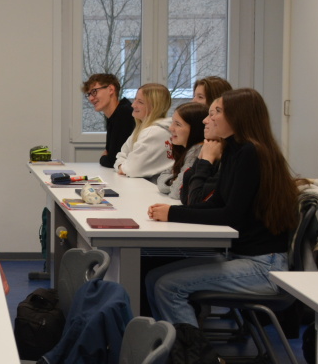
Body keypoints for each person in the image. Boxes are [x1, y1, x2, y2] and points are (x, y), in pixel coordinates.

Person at [144, 89, 299, 326]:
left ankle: (193, 350)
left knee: (168, 287)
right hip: (242, 255)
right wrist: (171, 212)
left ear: (238, 116)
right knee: (153, 278)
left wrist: (173, 213)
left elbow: (230, 216)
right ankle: (171, 346)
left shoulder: (251, 153)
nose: (207, 119)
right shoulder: (234, 150)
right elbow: (215, 203)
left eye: (216, 112)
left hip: (264, 265)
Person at [114, 82, 173, 179]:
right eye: (135, 99)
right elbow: (122, 154)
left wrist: (121, 166)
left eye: (140, 102)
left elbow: (132, 169)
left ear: (155, 107)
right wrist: (123, 166)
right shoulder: (143, 128)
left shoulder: (153, 132)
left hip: (154, 186)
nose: (133, 105)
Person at [156, 101, 207, 201]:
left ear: (195, 129)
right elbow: (161, 180)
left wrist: (173, 181)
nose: (171, 128)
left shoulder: (196, 151)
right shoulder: (184, 149)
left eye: (178, 124)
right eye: (172, 122)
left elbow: (176, 193)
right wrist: (174, 180)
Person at [82, 73, 134, 168]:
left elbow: (113, 160)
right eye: (89, 94)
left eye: (94, 92)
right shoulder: (114, 115)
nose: (91, 98)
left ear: (110, 89)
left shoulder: (124, 113)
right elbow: (111, 154)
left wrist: (103, 158)